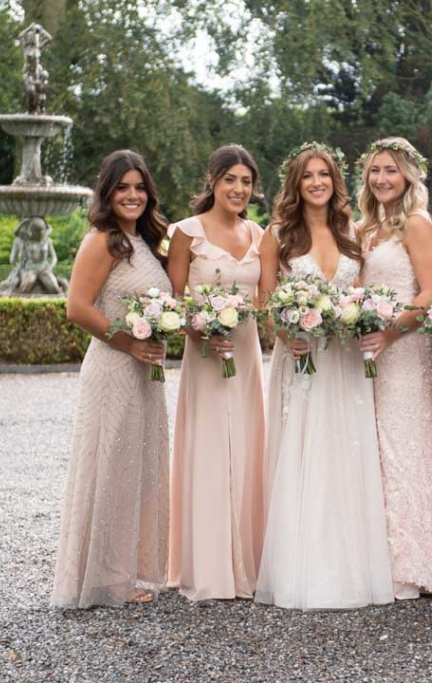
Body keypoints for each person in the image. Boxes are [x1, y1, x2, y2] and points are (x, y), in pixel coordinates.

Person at [255, 142, 393, 610]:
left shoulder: (351, 232)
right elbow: (265, 301)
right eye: (308, 175)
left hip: (346, 361)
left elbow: (359, 294)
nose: (317, 182)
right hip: (303, 360)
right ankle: (304, 569)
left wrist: (364, 317)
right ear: (295, 183)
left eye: (325, 175)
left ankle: (352, 567)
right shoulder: (277, 235)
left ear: (335, 182)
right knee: (304, 453)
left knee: (346, 452)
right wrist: (283, 331)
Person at [52, 149, 172, 608]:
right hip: (113, 367)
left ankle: (124, 573)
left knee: (137, 469)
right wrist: (130, 343)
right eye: (123, 187)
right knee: (107, 466)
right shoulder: (101, 240)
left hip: (147, 373)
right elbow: (77, 308)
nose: (133, 195)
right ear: (107, 191)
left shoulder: (142, 242)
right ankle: (96, 579)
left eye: (140, 187)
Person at [166, 145, 267, 601]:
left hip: (246, 353)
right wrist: (201, 328)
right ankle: (208, 567)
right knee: (208, 449)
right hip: (206, 355)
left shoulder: (261, 236)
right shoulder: (186, 233)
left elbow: (268, 304)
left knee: (248, 447)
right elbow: (175, 302)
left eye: (246, 181)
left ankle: (249, 560)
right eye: (230, 179)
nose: (238, 189)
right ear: (213, 181)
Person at [356, 137, 432, 599]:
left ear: (409, 175)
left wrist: (391, 331)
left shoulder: (416, 224)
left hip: (405, 350)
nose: (381, 179)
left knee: (404, 445)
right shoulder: (365, 227)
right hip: (368, 352)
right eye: (375, 171)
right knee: (372, 447)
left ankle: (416, 564)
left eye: (390, 170)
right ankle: (378, 556)